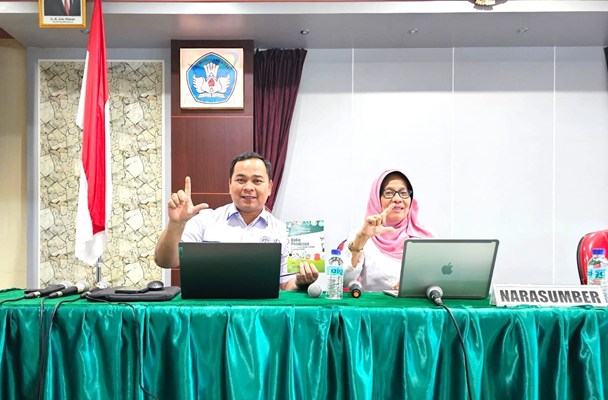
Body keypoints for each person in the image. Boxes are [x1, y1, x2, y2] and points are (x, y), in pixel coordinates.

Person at [154, 152, 318, 291]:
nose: (248, 187)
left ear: (269, 187)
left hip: (263, 318)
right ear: (229, 184)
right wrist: (176, 223)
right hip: (209, 315)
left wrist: (300, 282)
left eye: (257, 181)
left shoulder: (284, 232)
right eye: (241, 180)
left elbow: (286, 285)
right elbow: (165, 261)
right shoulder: (205, 220)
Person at [342, 170, 437, 291]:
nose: (397, 199)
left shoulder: (427, 237)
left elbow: (441, 279)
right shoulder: (360, 235)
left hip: (420, 308)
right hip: (375, 308)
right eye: (389, 193)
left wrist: (413, 286)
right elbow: (343, 281)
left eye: (403, 192)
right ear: (376, 199)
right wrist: (361, 240)